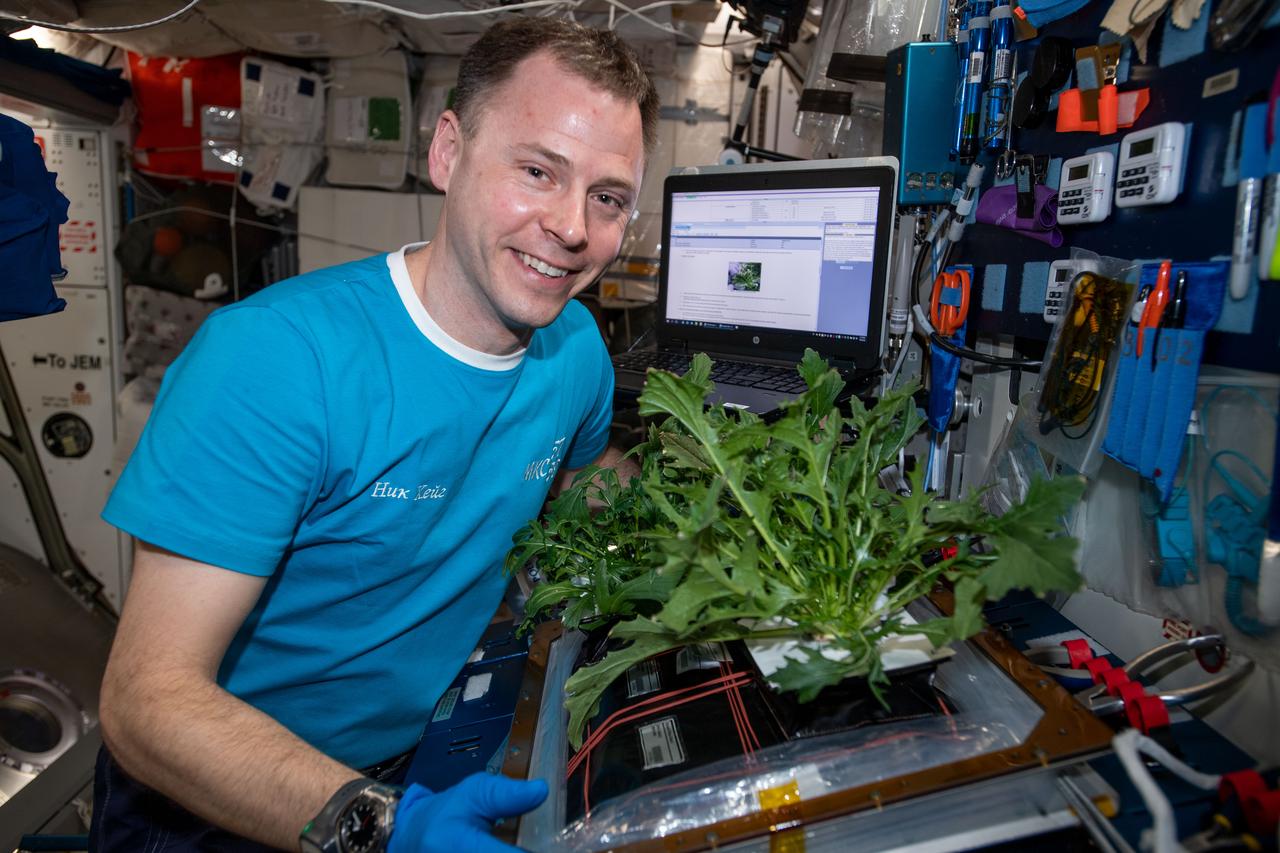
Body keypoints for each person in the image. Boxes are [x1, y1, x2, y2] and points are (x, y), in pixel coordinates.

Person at [91, 17, 658, 853]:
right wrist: (379, 827)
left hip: (410, 760)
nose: (573, 228)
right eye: (538, 170)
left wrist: (728, 528)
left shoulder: (574, 352)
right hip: (215, 799)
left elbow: (585, 483)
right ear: (447, 152)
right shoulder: (277, 361)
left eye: (607, 198)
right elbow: (147, 701)